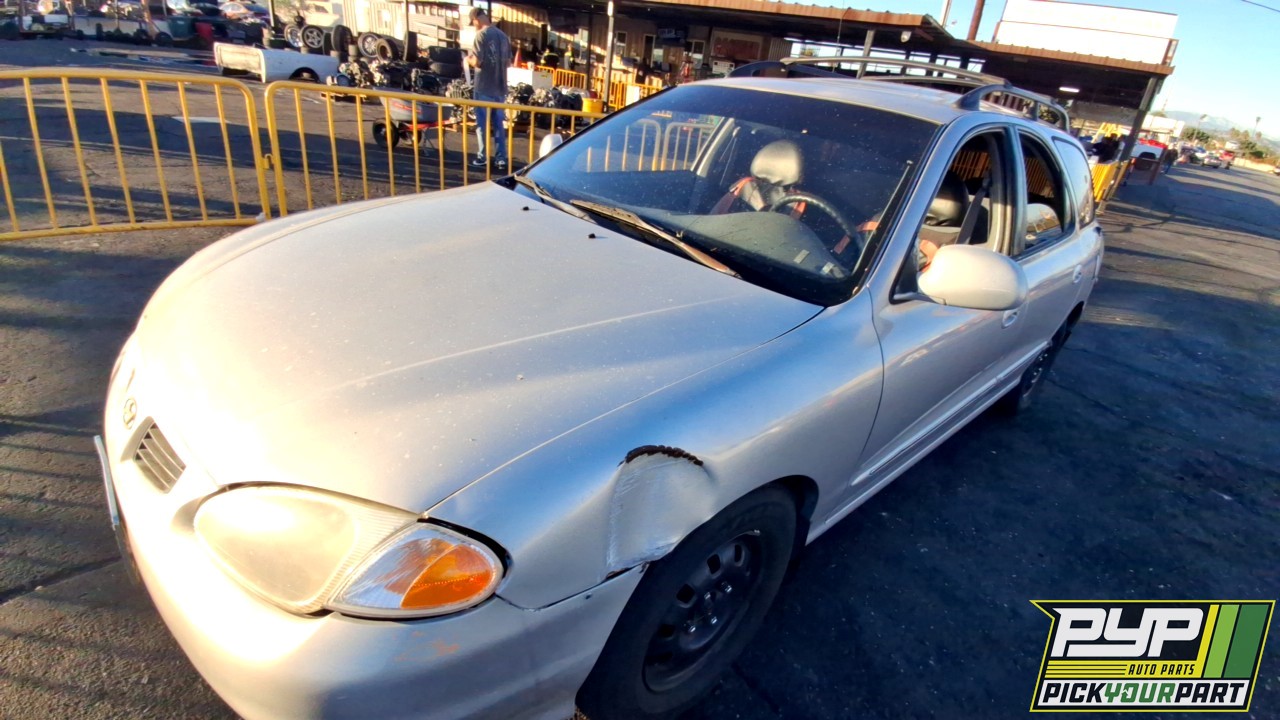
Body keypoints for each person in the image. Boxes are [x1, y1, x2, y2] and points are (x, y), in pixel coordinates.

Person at [465, 7, 511, 171]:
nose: (474, 25)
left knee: (482, 124)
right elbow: (508, 63)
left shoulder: (481, 36)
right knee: (499, 124)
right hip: (500, 88)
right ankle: (501, 159)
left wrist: (468, 59)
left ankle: (482, 156)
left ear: (476, 18)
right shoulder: (503, 37)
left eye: (473, 22)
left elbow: (478, 62)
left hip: (484, 87)